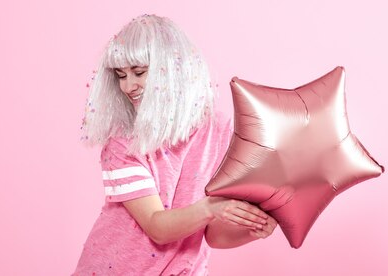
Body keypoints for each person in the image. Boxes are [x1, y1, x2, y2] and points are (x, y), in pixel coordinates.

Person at [74, 14, 278, 275]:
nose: (127, 86)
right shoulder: (122, 142)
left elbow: (214, 236)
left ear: (172, 69)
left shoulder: (218, 130)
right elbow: (157, 227)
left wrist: (252, 228)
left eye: (138, 72)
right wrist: (210, 208)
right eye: (121, 75)